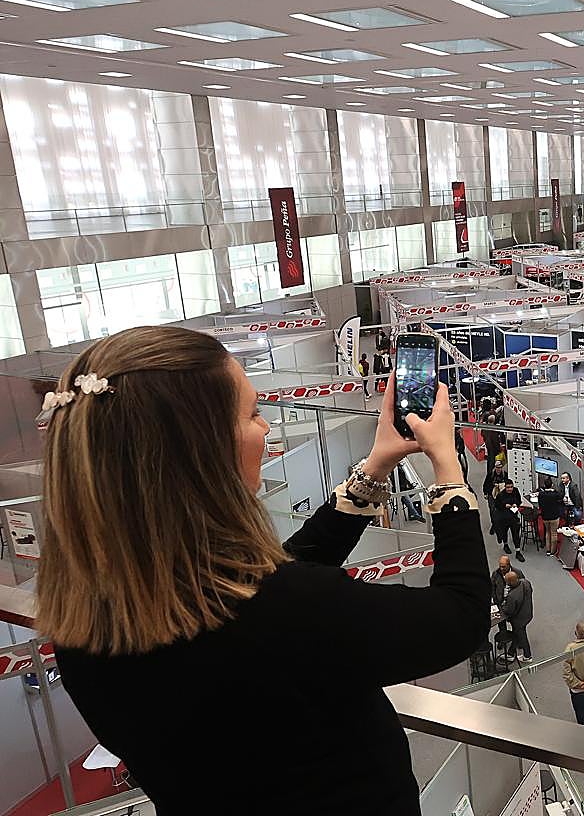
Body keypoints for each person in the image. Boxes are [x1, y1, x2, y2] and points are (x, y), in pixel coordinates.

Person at [40, 326, 489, 816]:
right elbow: (460, 615)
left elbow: (269, 588)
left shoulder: (87, 623)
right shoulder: (285, 614)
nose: (267, 428)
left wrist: (375, 467)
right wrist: (448, 471)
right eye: (252, 413)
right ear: (202, 450)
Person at [500, 571, 534, 663]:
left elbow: (508, 610)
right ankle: (511, 653)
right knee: (517, 633)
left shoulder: (512, 596)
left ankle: (527, 656)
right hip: (528, 614)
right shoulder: (525, 582)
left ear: (510, 583)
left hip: (519, 620)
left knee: (522, 635)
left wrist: (504, 603)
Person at [492, 479, 524, 561]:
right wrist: (504, 505)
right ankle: (505, 545)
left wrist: (515, 504)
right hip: (504, 517)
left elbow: (519, 500)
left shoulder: (516, 491)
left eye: (511, 487)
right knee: (504, 532)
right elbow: (497, 506)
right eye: (508, 487)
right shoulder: (501, 495)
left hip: (513, 516)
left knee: (516, 534)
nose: (510, 489)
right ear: (505, 487)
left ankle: (518, 551)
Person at [538, 475, 565, 556]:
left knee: (547, 533)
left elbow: (540, 504)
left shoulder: (541, 494)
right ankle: (553, 551)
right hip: (554, 516)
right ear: (552, 485)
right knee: (554, 533)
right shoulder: (555, 494)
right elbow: (561, 497)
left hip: (545, 516)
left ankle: (548, 550)